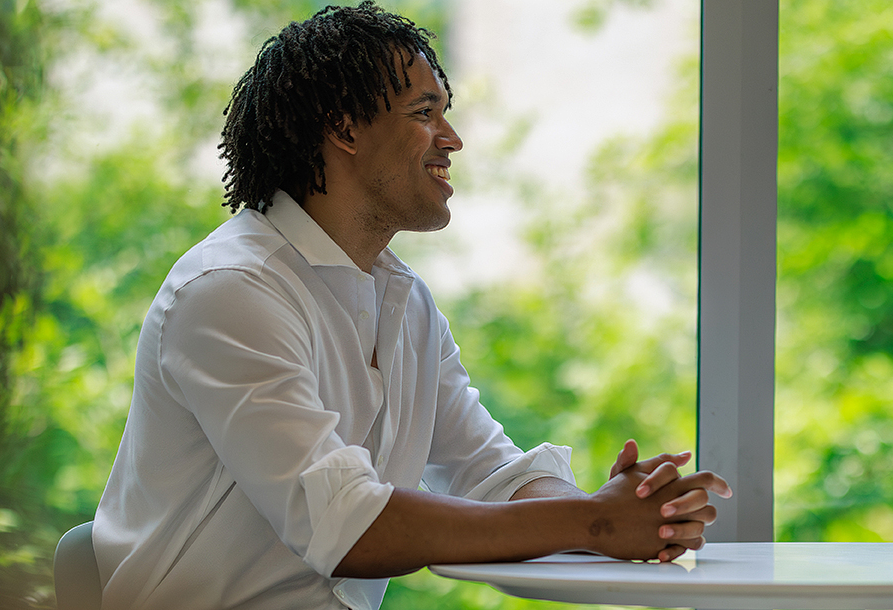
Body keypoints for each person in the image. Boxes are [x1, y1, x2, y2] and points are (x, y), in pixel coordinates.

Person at [93, 3, 730, 608]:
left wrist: (634, 511)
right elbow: (350, 526)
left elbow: (490, 471)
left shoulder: (404, 301)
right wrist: (595, 522)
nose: (451, 139)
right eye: (424, 112)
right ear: (344, 128)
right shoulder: (232, 289)